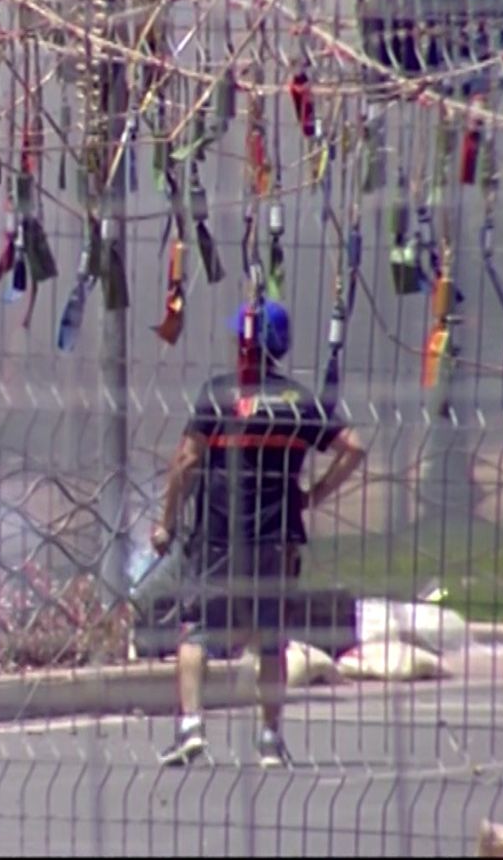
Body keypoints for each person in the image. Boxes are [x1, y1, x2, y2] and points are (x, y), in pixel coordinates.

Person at [149, 299, 366, 768]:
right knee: (271, 638)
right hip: (276, 538)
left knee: (198, 631)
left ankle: (190, 728)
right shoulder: (300, 402)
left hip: (218, 536)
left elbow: (185, 462)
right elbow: (353, 448)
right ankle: (269, 740)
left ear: (247, 343)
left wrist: (166, 521)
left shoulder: (218, 396)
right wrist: (314, 494)